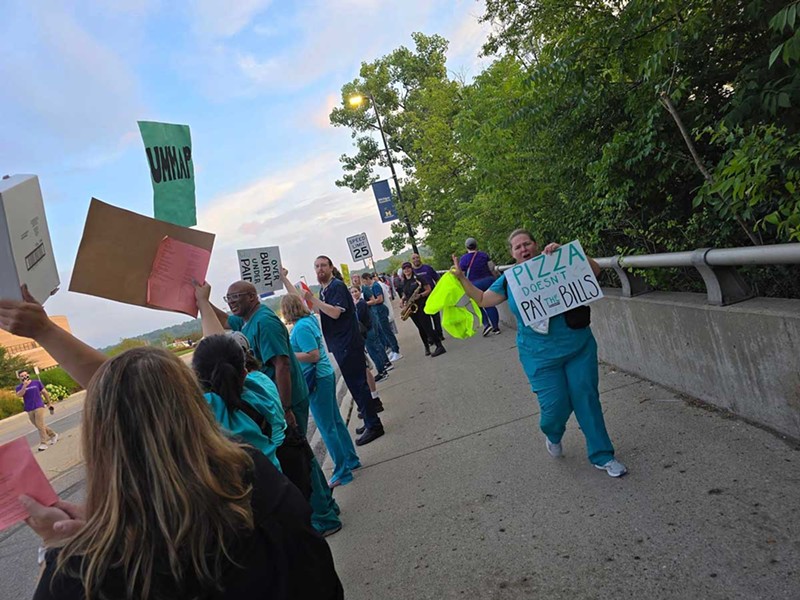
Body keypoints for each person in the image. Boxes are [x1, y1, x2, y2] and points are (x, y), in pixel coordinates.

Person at [0, 285, 344, 600]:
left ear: (101, 442)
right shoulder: (254, 474)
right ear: (193, 405)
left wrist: (56, 551)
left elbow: (132, 398)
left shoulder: (87, 576)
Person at [451, 229, 627, 478]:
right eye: (517, 247)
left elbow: (595, 271)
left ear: (535, 244)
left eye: (527, 244)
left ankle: (603, 455)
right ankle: (553, 434)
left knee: (586, 399)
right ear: (512, 254)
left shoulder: (558, 261)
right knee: (554, 408)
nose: (523, 249)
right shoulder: (511, 279)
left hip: (578, 346)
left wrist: (569, 253)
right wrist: (461, 279)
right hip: (539, 356)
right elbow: (482, 298)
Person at [198, 281, 342, 536]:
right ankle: (326, 506)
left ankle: (324, 516)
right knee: (302, 455)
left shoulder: (265, 322)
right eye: (227, 297)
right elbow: (223, 322)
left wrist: (285, 408)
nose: (231, 302)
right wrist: (203, 301)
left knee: (299, 458)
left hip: (283, 402)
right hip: (274, 403)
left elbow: (282, 365)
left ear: (253, 297)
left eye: (237, 297)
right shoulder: (247, 319)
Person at [288, 257, 385, 446]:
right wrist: (289, 283)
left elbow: (334, 312)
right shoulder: (325, 291)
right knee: (354, 385)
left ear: (331, 268)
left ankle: (374, 424)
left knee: (358, 384)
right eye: (316, 266)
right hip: (340, 344)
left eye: (323, 265)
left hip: (347, 342)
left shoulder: (337, 286)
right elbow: (315, 308)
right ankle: (368, 420)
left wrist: (312, 298)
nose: (320, 269)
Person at [281, 294, 361, 489]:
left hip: (316, 379)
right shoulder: (308, 320)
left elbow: (313, 355)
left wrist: (290, 355)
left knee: (326, 427)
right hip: (324, 375)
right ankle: (351, 459)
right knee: (335, 421)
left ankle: (342, 471)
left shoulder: (300, 328)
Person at [399, 262, 446, 357]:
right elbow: (405, 293)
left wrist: (420, 295)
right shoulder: (404, 282)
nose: (406, 270)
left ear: (411, 269)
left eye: (408, 268)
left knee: (427, 327)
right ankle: (426, 347)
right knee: (420, 328)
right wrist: (402, 299)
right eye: (404, 269)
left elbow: (428, 289)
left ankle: (439, 346)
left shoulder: (418, 279)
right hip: (411, 308)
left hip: (421, 305)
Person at [459, 237, 501, 336]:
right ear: (476, 245)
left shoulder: (463, 259)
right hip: (487, 281)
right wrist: (496, 279)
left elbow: (461, 274)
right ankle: (496, 328)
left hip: (474, 284)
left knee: (478, 306)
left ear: (466, 247)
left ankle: (486, 325)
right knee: (490, 304)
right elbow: (492, 268)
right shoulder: (483, 255)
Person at [351, 285, 390, 381]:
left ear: (360, 292)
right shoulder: (359, 303)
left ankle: (382, 371)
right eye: (352, 292)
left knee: (373, 352)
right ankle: (383, 369)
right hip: (368, 329)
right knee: (375, 349)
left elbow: (359, 318)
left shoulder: (361, 303)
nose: (354, 294)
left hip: (367, 330)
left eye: (356, 291)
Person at [362, 272, 402, 362]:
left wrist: (368, 303)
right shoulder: (372, 286)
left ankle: (396, 350)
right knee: (384, 332)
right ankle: (392, 349)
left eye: (365, 281)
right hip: (377, 311)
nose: (365, 283)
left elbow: (380, 299)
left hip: (380, 310)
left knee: (387, 331)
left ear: (368, 278)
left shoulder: (375, 286)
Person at [16, 370, 57, 451]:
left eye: (25, 375)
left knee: (39, 423)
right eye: (22, 376)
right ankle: (53, 435)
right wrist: (24, 386)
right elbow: (19, 395)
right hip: (29, 408)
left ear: (28, 375)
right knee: (39, 425)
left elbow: (44, 392)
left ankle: (43, 443)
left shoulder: (36, 383)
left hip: (39, 406)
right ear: (19, 378)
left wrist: (49, 403)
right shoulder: (19, 387)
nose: (24, 377)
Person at [411, 253, 444, 341]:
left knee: (436, 317)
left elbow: (437, 279)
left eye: (417, 257)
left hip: (432, 295)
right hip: (420, 299)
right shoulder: (412, 272)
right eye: (414, 258)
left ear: (420, 258)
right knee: (425, 319)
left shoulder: (427, 268)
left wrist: (439, 290)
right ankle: (430, 336)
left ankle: (439, 333)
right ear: (412, 260)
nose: (416, 259)